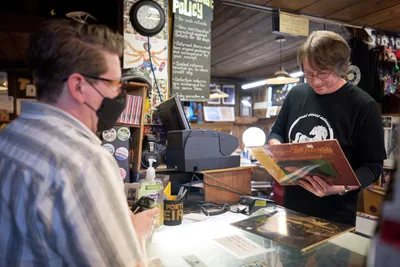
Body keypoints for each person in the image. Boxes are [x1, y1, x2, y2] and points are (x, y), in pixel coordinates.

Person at [0, 19, 158, 266]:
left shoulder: (10, 135)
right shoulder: (84, 160)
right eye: (114, 84)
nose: (119, 95)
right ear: (78, 86)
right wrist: (136, 232)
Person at [267, 30, 386, 226]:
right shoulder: (296, 94)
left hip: (335, 216)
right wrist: (276, 146)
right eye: (308, 73)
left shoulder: (363, 105)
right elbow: (277, 131)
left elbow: (373, 167)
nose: (315, 81)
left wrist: (338, 188)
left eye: (323, 73)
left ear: (341, 68)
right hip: (291, 209)